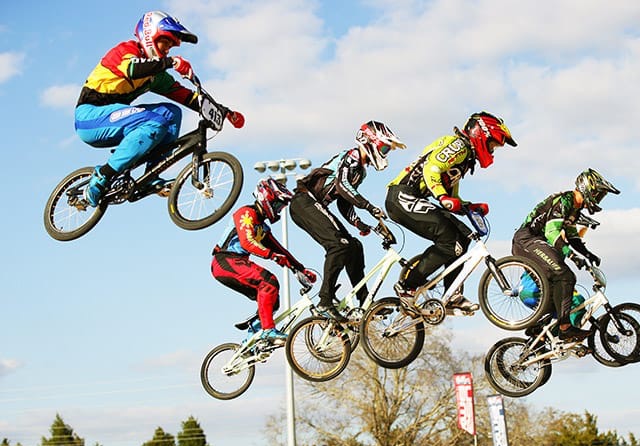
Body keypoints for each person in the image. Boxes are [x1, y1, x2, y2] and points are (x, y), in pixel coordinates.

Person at [75, 11, 245, 207]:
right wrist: (172, 62)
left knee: (171, 113)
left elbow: (186, 96)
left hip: (113, 117)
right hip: (89, 117)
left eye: (171, 46)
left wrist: (223, 111)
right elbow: (133, 69)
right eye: (166, 42)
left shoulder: (156, 76)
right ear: (150, 36)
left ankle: (152, 174)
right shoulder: (126, 50)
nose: (167, 49)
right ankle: (103, 175)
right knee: (154, 122)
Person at [386, 111, 517, 311]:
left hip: (413, 198)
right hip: (402, 196)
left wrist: (469, 206)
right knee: (449, 240)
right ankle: (407, 287)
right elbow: (431, 169)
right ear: (481, 134)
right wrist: (442, 197)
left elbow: (451, 196)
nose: (493, 151)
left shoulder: (465, 158)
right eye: (493, 145)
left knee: (463, 237)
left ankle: (451, 295)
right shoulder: (458, 146)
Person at [289, 121, 406, 321]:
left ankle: (364, 302)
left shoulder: (360, 171)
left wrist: (358, 223)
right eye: (384, 148)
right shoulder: (351, 156)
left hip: (314, 206)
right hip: (304, 202)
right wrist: (369, 206)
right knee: (338, 245)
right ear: (370, 141)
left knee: (354, 246)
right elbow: (342, 185)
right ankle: (325, 301)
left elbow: (344, 201)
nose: (385, 153)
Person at [512, 168, 620, 341]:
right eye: (598, 195)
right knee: (565, 275)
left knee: (558, 286)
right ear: (587, 189)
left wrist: (587, 254)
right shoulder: (565, 201)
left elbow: (572, 237)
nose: (598, 200)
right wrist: (570, 255)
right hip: (526, 240)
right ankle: (565, 327)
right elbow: (552, 232)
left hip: (536, 243)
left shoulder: (574, 210)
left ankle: (539, 330)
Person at [211, 179, 317, 344]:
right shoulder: (246, 213)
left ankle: (251, 342)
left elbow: (281, 250)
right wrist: (272, 256)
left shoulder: (262, 227)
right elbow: (247, 242)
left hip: (236, 262)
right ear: (267, 198)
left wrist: (300, 268)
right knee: (269, 282)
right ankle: (268, 330)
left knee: (272, 300)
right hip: (225, 261)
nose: (279, 210)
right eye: (278, 205)